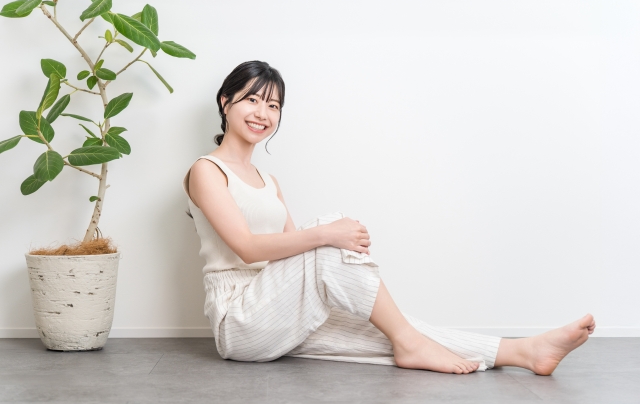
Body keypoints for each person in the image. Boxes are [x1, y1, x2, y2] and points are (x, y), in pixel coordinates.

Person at [182, 60, 596, 375]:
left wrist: (332, 242)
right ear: (225, 102)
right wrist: (330, 233)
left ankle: (523, 352)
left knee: (386, 330)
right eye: (252, 99)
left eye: (273, 105)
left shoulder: (268, 180)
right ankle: (411, 343)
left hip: (275, 302)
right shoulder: (206, 170)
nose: (263, 112)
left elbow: (289, 255)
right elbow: (247, 247)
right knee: (329, 238)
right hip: (238, 319)